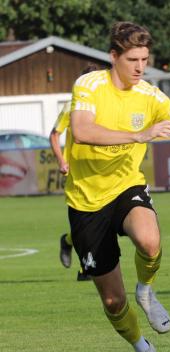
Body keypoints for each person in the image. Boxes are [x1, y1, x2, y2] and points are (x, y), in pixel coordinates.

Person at [65, 22, 170, 352]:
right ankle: (143, 351)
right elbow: (83, 131)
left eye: (145, 59)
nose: (139, 67)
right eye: (132, 59)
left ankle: (147, 291)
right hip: (86, 202)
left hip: (126, 188)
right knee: (112, 302)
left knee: (149, 240)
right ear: (113, 56)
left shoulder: (150, 94)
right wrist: (139, 133)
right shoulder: (89, 85)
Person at [52, 64, 98, 282]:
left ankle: (68, 241)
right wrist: (62, 160)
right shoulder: (72, 106)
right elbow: (54, 135)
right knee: (84, 224)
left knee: (98, 223)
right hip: (78, 173)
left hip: (101, 172)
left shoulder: (105, 105)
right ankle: (86, 268)